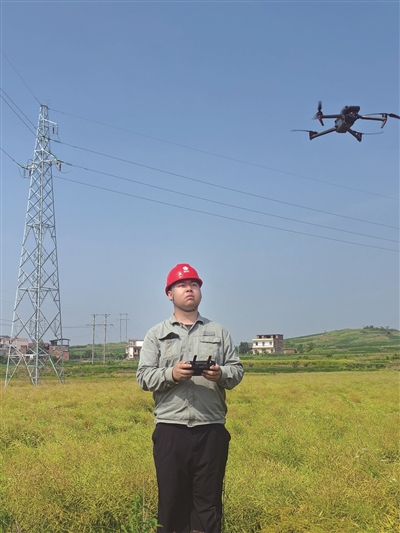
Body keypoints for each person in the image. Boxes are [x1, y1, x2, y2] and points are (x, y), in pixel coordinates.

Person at [136, 263, 244, 533]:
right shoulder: (156, 334)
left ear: (200, 292)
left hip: (211, 428)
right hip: (171, 429)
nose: (189, 289)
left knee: (209, 503)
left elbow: (237, 372)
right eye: (182, 285)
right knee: (171, 502)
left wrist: (220, 373)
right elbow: (144, 377)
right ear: (169, 294)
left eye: (194, 285)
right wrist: (171, 374)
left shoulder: (219, 332)